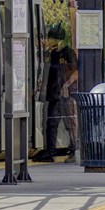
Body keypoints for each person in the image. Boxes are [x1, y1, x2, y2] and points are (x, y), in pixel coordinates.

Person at [34, 24, 78, 162]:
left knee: (69, 123)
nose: (48, 41)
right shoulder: (49, 54)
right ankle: (50, 151)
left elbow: (75, 71)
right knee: (50, 123)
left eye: (51, 38)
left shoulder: (68, 53)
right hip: (52, 94)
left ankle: (74, 149)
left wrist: (67, 84)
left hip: (65, 95)